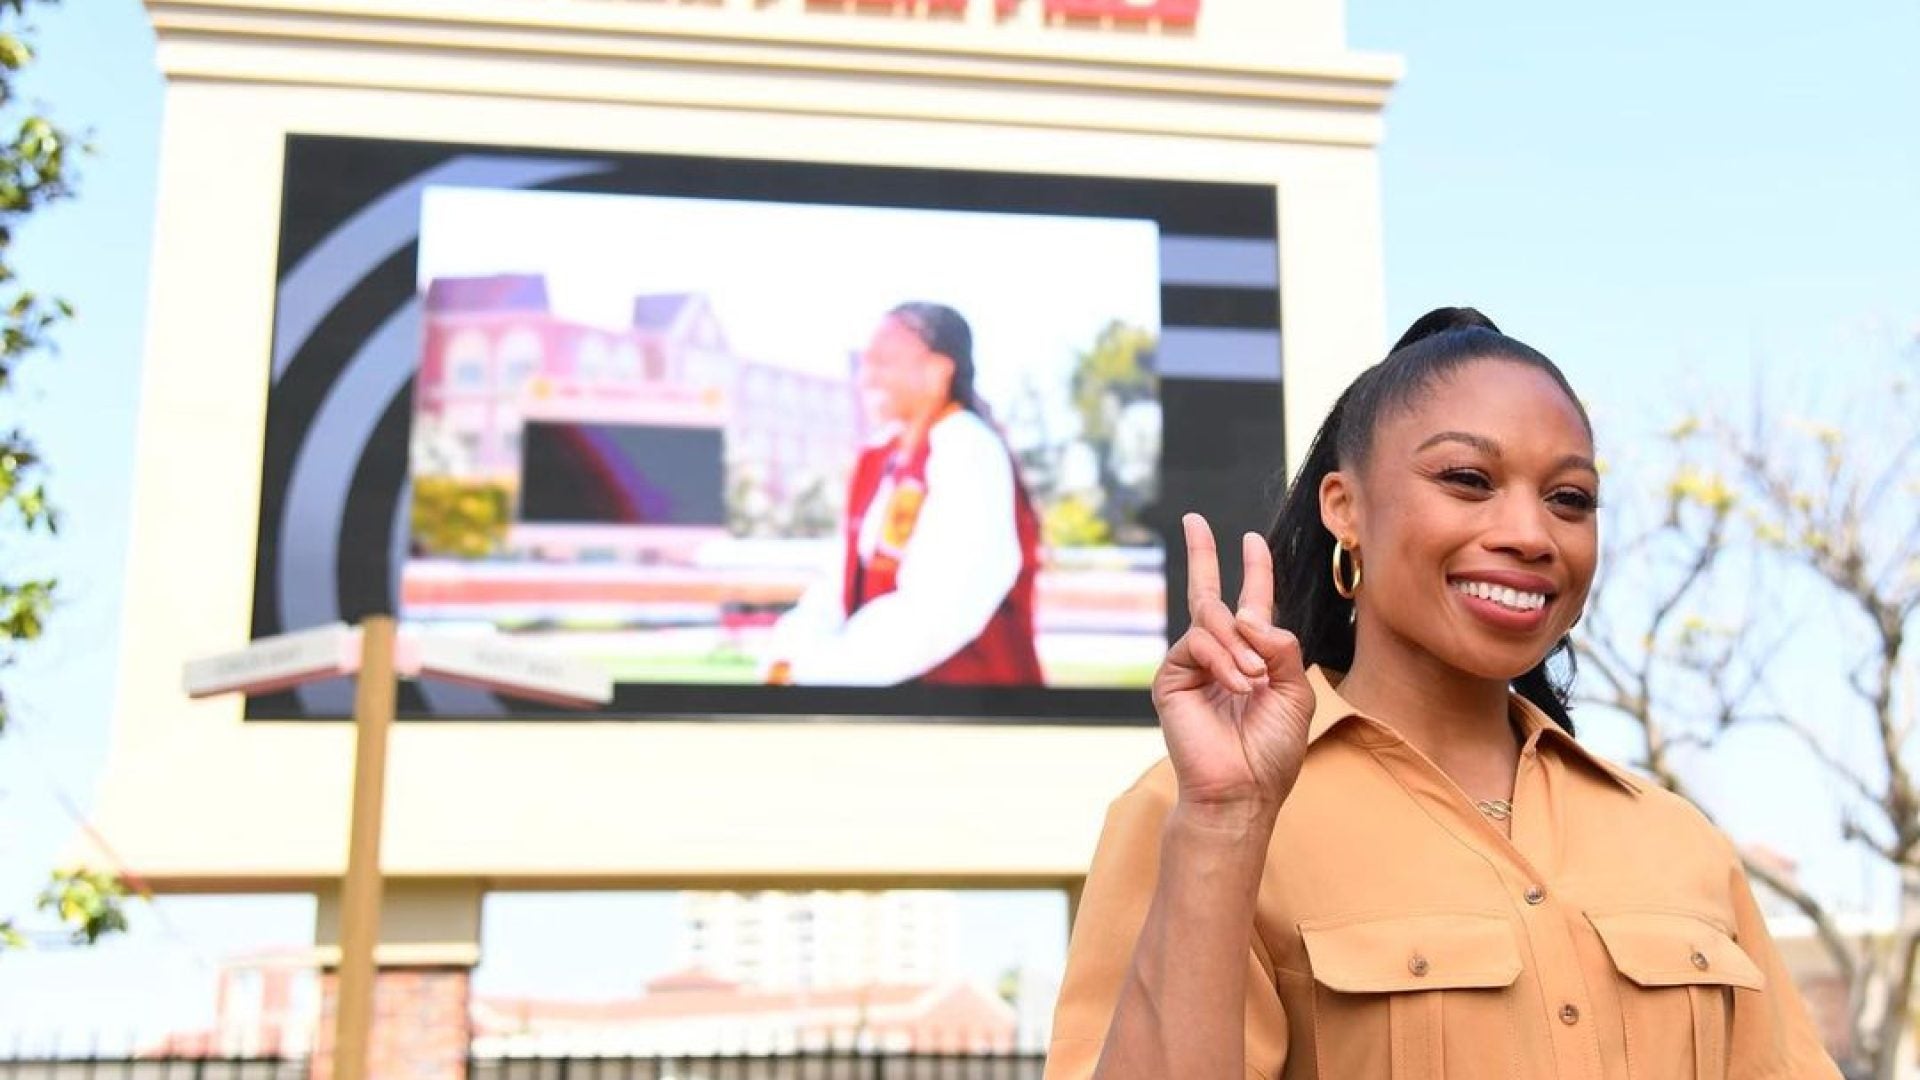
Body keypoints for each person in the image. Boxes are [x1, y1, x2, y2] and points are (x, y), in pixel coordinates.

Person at [1044, 308, 1839, 1079]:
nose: (1531, 533)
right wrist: (1224, 826)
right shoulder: (1196, 813)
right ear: (1343, 508)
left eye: (1570, 499)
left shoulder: (1678, 842)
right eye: (1468, 479)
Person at [765, 302, 1045, 687]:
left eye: (884, 362)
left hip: (969, 719)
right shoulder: (877, 458)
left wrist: (818, 672)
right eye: (865, 363)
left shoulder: (969, 449)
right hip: (887, 709)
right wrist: (787, 656)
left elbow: (940, 608)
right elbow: (837, 584)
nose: (866, 378)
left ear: (937, 370)